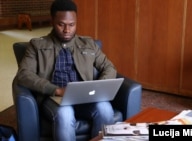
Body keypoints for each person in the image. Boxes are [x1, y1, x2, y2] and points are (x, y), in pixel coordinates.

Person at [14, 0, 116, 140]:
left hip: (84, 97)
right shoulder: (37, 46)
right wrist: (56, 90)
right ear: (52, 21)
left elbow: (109, 67)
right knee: (65, 113)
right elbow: (24, 74)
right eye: (61, 24)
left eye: (71, 25)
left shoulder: (88, 44)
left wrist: (98, 87)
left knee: (105, 109)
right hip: (54, 98)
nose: (67, 30)